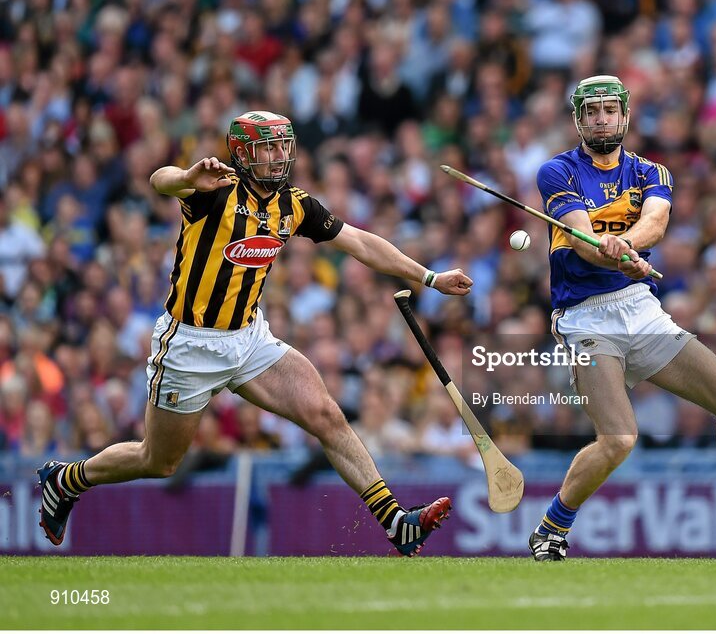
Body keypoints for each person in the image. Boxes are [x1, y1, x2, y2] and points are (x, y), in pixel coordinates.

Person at [38, 111, 473, 556]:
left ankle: (396, 522)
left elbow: (359, 242)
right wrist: (187, 175)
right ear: (244, 153)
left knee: (326, 414)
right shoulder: (216, 190)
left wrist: (430, 277)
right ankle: (66, 479)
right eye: (268, 146)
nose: (279, 155)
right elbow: (160, 180)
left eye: (284, 145)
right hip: (190, 343)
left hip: (249, 339)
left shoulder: (295, 204)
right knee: (159, 460)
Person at [528, 76, 716, 561]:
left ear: (625, 115)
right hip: (585, 319)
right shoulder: (557, 172)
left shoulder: (651, 172)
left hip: (639, 309)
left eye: (610, 110)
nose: (602, 119)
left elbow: (656, 222)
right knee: (619, 438)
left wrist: (630, 245)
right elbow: (580, 239)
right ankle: (552, 529)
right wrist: (607, 249)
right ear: (579, 120)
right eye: (592, 112)